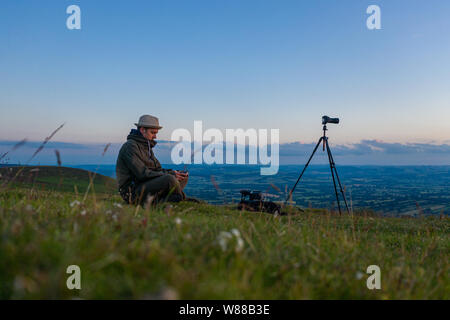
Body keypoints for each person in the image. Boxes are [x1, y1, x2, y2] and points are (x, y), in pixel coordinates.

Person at [116, 115, 189, 205]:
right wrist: (170, 175)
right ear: (142, 130)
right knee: (169, 179)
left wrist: (173, 172)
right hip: (133, 191)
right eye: (153, 133)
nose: (155, 136)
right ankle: (175, 198)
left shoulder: (146, 146)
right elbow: (142, 174)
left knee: (182, 176)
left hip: (145, 184)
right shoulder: (130, 146)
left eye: (156, 133)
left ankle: (165, 198)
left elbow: (156, 169)